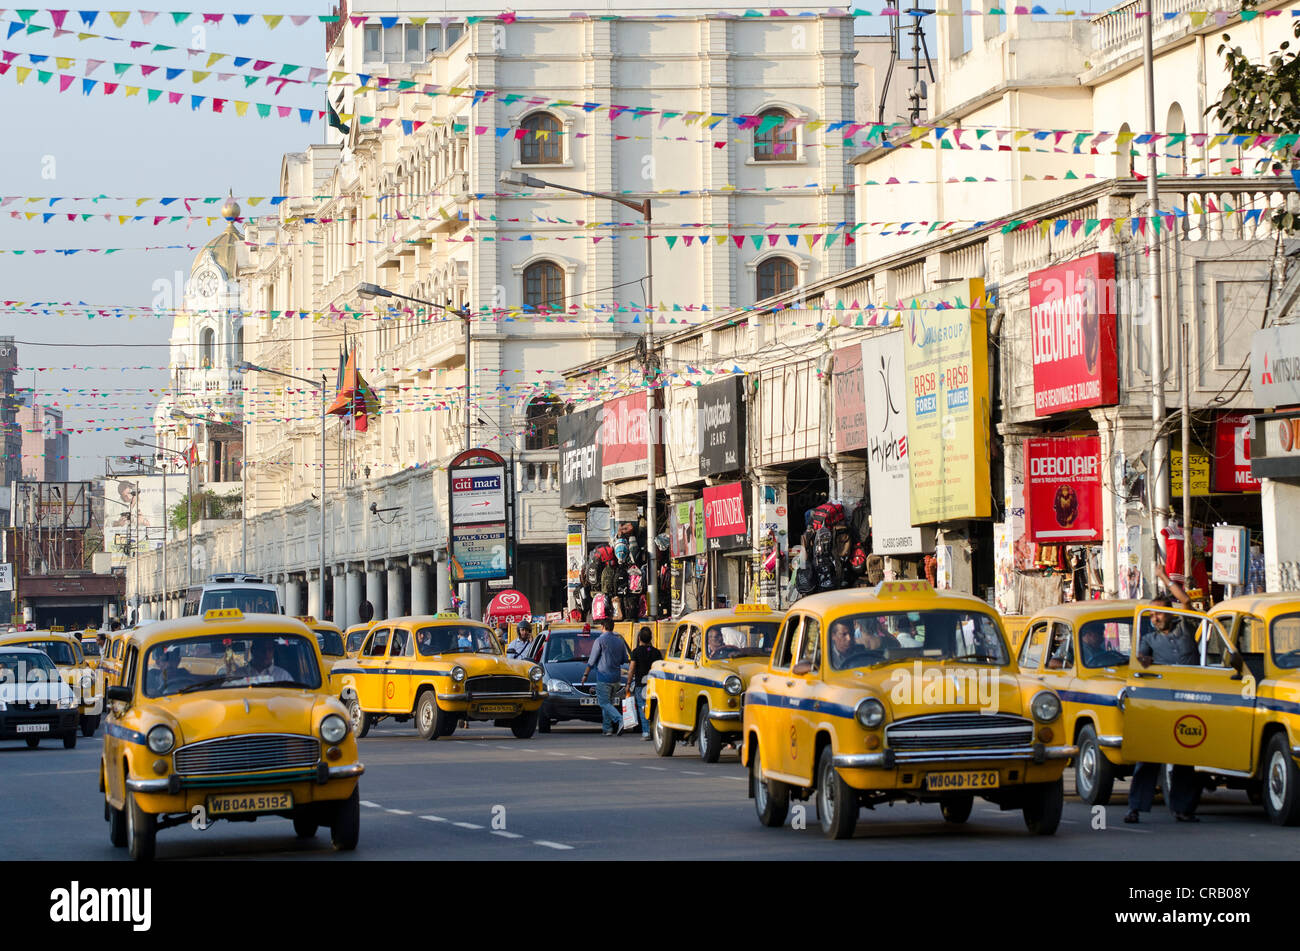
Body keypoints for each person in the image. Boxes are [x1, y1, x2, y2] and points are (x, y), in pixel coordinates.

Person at [1127, 568, 1201, 824]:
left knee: (1186, 757)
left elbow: (1187, 601)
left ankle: (1183, 809)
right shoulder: (1148, 638)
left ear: (1170, 613)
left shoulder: (1186, 626)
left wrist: (1162, 577)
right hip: (1160, 704)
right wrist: (1143, 663)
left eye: (1159, 613)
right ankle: (1135, 807)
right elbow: (1141, 663)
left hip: (1189, 702)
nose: (1155, 618)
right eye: (1152, 614)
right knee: (1149, 756)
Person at [580, 618, 630, 735]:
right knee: (609, 704)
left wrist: (585, 675)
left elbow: (592, 661)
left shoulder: (600, 641)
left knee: (603, 703)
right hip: (616, 678)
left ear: (603, 627)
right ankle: (607, 729)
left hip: (604, 677)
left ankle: (620, 719)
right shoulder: (619, 641)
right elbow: (624, 660)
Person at [627, 626, 662, 740]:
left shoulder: (636, 652)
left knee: (643, 707)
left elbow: (632, 669)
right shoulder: (656, 652)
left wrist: (628, 684)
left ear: (639, 638)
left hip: (640, 685)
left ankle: (646, 732)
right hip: (654, 684)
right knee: (655, 708)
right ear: (651, 638)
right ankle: (656, 731)